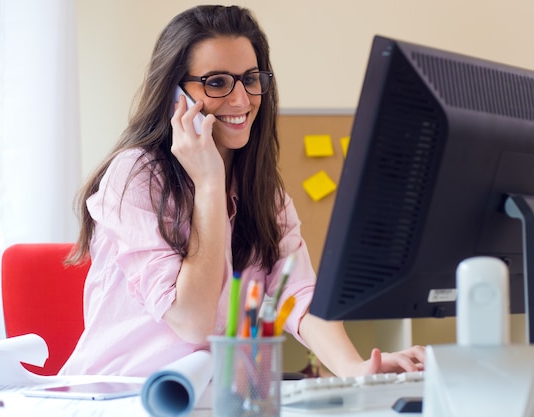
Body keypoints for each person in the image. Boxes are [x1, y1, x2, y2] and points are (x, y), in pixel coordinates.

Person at [59, 5, 425, 378]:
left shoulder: (262, 190)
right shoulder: (136, 177)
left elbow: (298, 292)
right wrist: (208, 185)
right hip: (120, 396)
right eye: (217, 82)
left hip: (214, 397)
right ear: (175, 95)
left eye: (250, 79)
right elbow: (193, 321)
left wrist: (355, 368)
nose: (240, 100)